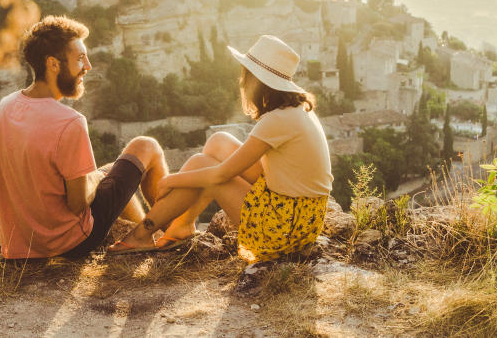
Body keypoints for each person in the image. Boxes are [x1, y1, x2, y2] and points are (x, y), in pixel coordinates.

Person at [109, 35, 333, 262]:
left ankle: (142, 233)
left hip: (284, 230)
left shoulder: (278, 120)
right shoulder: (297, 110)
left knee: (204, 166)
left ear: (256, 80)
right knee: (219, 142)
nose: (241, 80)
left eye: (246, 73)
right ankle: (182, 225)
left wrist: (169, 181)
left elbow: (221, 174)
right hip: (302, 216)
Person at [0, 15, 169, 259]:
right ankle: (171, 235)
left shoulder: (5, 107)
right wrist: (94, 177)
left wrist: (96, 176)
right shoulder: (69, 122)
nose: (88, 66)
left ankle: (144, 237)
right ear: (53, 64)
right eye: (80, 58)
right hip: (69, 242)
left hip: (24, 245)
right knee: (146, 146)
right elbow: (78, 203)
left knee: (109, 173)